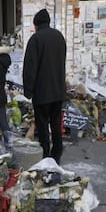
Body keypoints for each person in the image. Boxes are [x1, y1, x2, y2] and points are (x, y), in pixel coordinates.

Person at [23, 9, 67, 165]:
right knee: (56, 124)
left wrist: (28, 90)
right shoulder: (59, 37)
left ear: (36, 24)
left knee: (42, 124)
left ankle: (46, 154)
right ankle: (57, 153)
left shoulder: (36, 40)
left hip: (42, 92)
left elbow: (30, 67)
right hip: (58, 90)